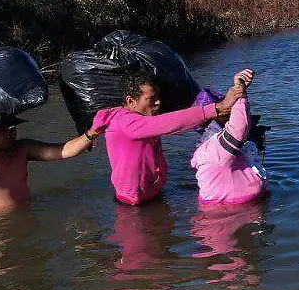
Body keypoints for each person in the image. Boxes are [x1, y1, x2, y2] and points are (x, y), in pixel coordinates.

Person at [0, 57, 100, 218]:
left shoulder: (22, 149)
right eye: (3, 129)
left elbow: (63, 151)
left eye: (12, 128)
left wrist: (91, 133)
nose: (11, 133)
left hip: (25, 223)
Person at [93, 69, 244, 206]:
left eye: (158, 97)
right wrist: (217, 107)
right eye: (151, 99)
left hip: (154, 195)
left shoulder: (145, 117)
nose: (158, 102)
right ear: (131, 101)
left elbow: (176, 123)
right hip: (131, 205)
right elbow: (168, 123)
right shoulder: (125, 121)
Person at [190, 68, 268, 206]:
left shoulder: (217, 143)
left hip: (240, 211)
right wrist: (239, 90)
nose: (232, 110)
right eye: (228, 107)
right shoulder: (214, 149)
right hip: (227, 216)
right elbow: (239, 127)